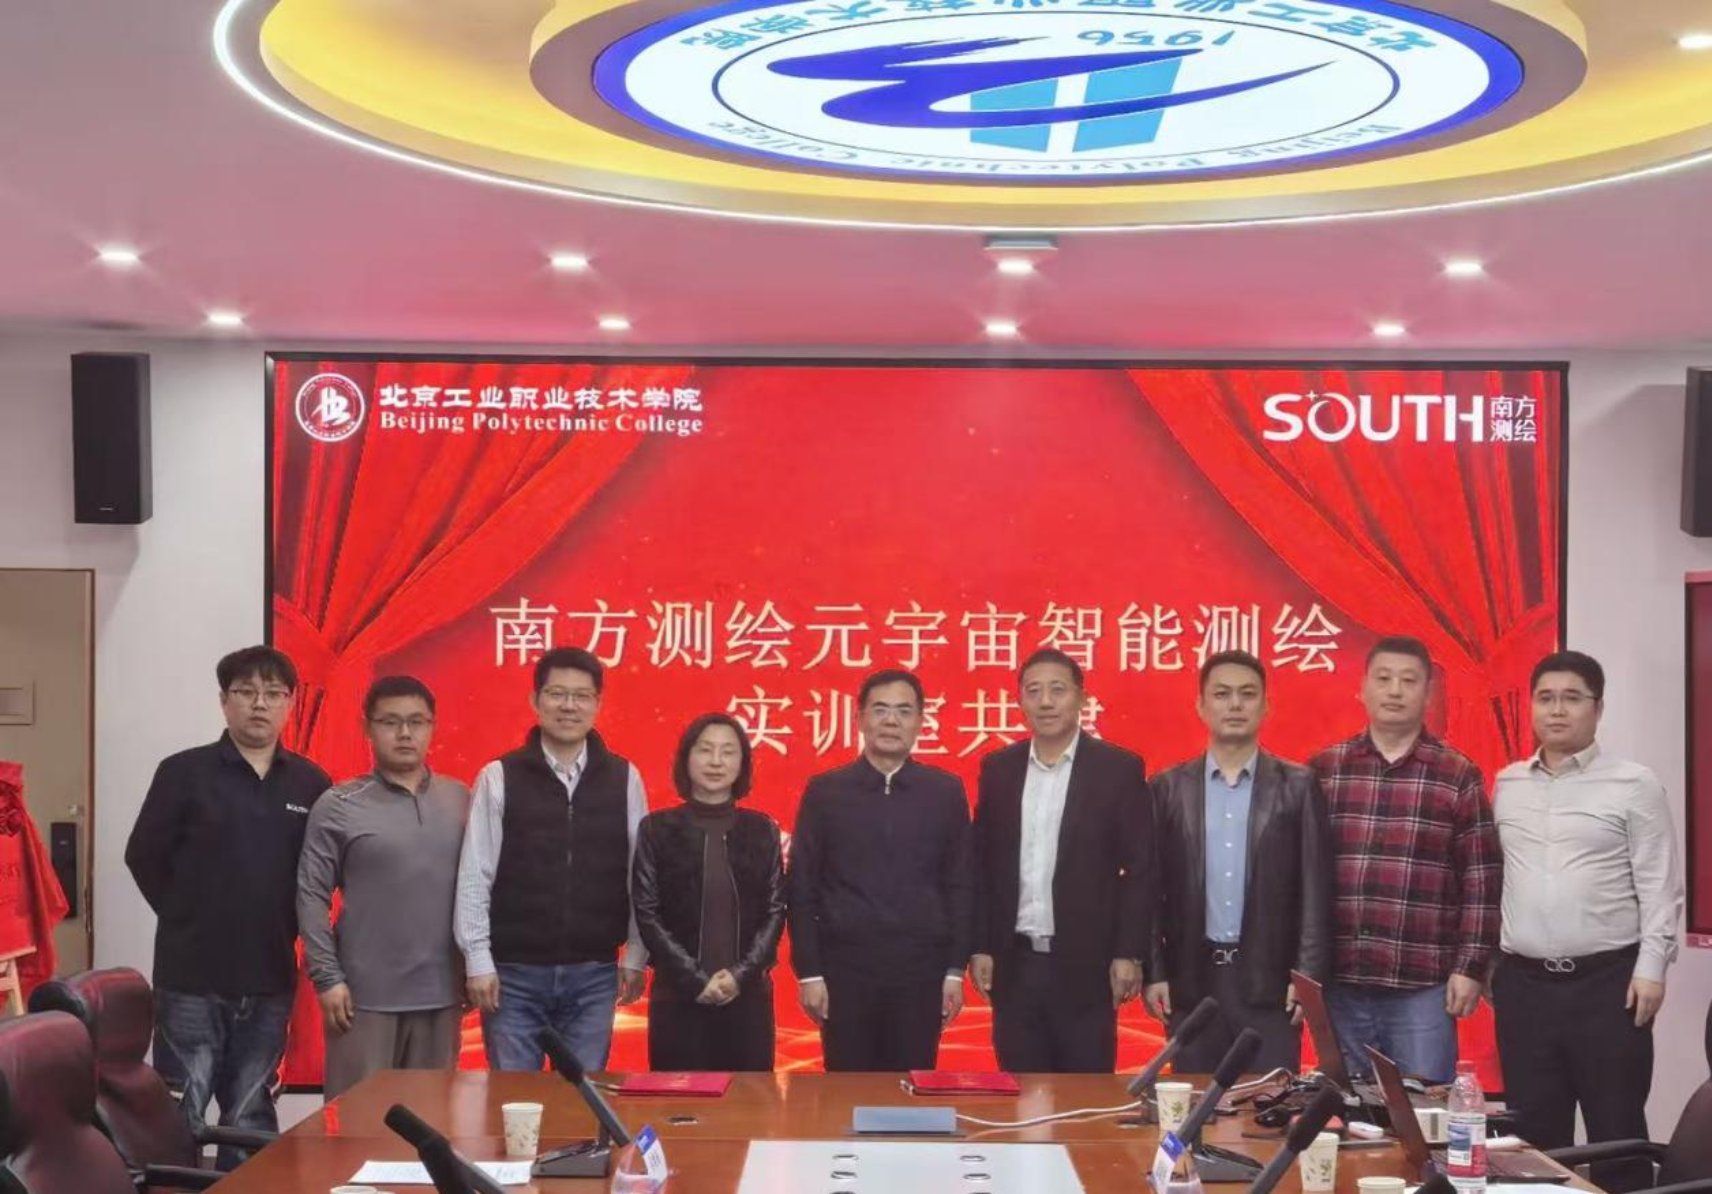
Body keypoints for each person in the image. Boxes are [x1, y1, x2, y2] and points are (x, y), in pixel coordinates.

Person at [124, 646, 330, 1169]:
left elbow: (318, 876)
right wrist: (188, 915)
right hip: (191, 976)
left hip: (269, 975)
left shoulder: (311, 783)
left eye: (273, 694)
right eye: (246, 692)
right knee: (181, 1108)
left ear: (290, 704)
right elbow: (143, 856)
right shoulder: (182, 772)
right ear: (224, 701)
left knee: (251, 1111)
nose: (259, 704)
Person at [1492, 651, 1683, 1189]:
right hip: (1525, 989)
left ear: (1597, 709)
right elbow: (1498, 879)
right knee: (1533, 1140)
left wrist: (1652, 968)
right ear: (1532, 706)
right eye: (1546, 698)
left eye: (1572, 698)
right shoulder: (1507, 784)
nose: (1557, 710)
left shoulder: (1634, 783)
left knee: (1616, 1131)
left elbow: (1660, 882)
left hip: (1609, 987)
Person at [1309, 636, 1499, 1084]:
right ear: (1362, 688)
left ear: (1428, 694)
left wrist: (1470, 967)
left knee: (1424, 1113)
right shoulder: (1325, 769)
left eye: (1409, 681)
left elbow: (1481, 880)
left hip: (1423, 987)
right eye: (1384, 678)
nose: (1395, 690)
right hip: (1341, 982)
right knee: (1350, 1112)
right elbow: (1299, 876)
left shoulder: (1457, 774)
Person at [454, 646, 648, 1071]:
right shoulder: (499, 776)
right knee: (513, 1101)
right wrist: (478, 960)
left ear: (597, 704)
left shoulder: (624, 778)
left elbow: (639, 875)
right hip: (512, 976)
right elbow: (475, 874)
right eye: (557, 693)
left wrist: (636, 955)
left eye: (581, 696)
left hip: (594, 975)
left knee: (581, 1101)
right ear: (535, 700)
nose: (569, 706)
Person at [1145, 651, 1333, 1072]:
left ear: (1266, 706)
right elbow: (1150, 891)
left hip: (1269, 983)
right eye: (1222, 694)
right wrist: (1154, 972)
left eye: (1247, 695)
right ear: (1201, 706)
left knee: (1267, 1102)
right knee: (1193, 1104)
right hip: (1191, 982)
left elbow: (1315, 891)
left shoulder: (1298, 786)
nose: (1235, 705)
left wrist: (1307, 978)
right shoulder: (1167, 788)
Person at [968, 648, 1153, 1073]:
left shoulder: (1117, 768)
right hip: (1014, 965)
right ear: (1020, 701)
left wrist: (1129, 953)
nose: (1046, 702)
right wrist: (979, 945)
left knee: (1085, 1092)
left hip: (1088, 966)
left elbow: (1140, 869)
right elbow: (981, 865)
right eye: (1034, 691)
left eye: (1058, 690)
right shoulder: (999, 769)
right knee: (1020, 1091)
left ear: (1081, 698)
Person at [788, 668, 973, 1072]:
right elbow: (802, 887)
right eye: (881, 710)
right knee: (846, 1091)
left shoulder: (944, 792)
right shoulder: (826, 791)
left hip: (921, 973)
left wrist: (955, 971)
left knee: (912, 1088)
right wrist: (810, 973)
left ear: (920, 722)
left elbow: (960, 884)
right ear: (860, 719)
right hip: (844, 972)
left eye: (904, 712)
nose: (891, 721)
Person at [297, 676, 471, 1098]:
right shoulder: (338, 805)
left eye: (416, 721)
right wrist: (327, 978)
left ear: (432, 727)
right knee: (358, 1123)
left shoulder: (462, 799)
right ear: (368, 729)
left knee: (430, 1123)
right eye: (390, 722)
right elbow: (311, 894)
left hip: (442, 996)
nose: (405, 733)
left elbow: (481, 892)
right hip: (362, 999)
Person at [631, 713, 786, 1071]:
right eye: (705, 750)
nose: (716, 761)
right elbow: (647, 912)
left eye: (728, 752)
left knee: (749, 1101)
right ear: (686, 759)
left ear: (742, 764)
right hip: (678, 996)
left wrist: (740, 976)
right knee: (679, 1102)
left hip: (748, 998)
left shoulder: (761, 829)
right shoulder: (656, 829)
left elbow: (775, 909)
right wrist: (695, 980)